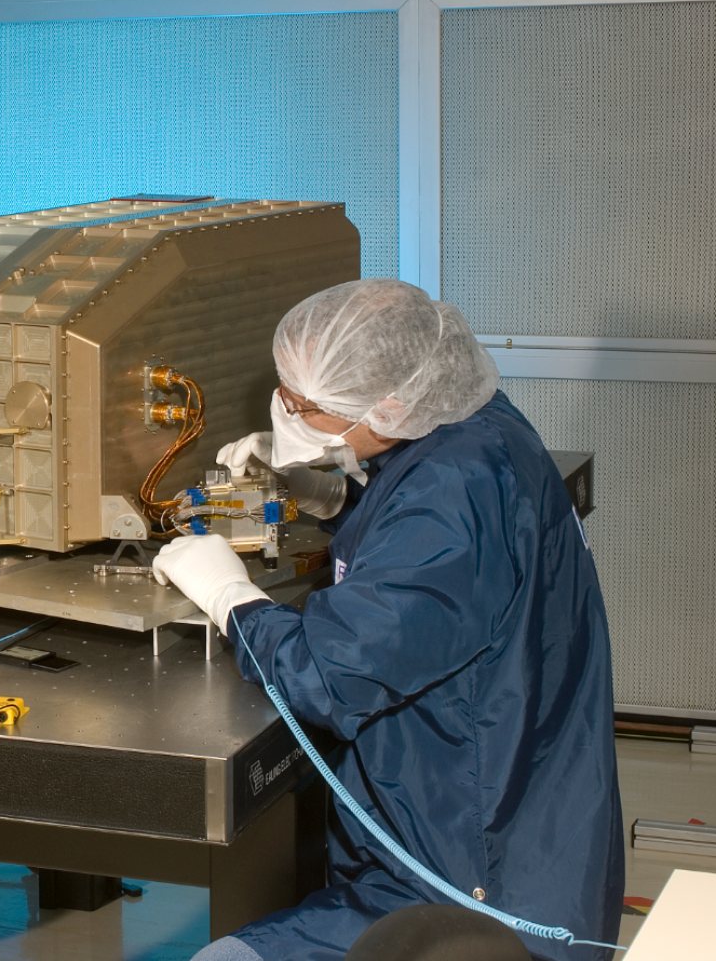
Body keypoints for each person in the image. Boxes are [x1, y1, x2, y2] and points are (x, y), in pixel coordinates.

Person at [152, 280, 623, 961]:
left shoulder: (453, 496)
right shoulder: (476, 426)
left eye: (304, 405)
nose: (286, 410)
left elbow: (328, 677)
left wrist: (232, 598)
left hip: (473, 890)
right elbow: (424, 564)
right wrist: (327, 490)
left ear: (393, 404)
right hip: (499, 827)